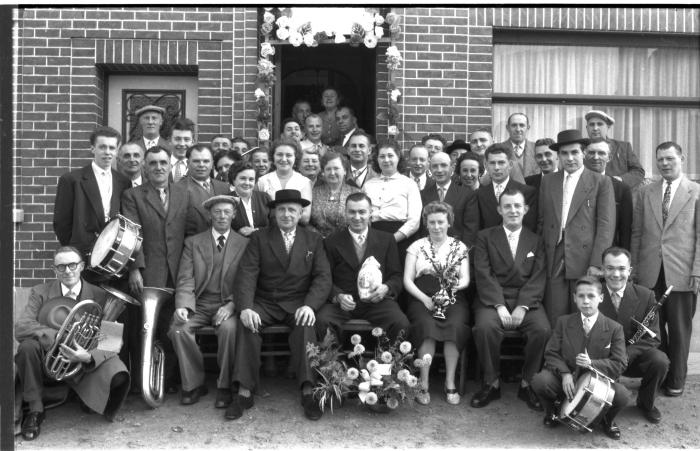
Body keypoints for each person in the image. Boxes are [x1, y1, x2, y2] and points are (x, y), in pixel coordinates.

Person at [227, 189, 332, 421]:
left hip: (298, 302)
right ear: (273, 213)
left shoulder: (313, 239)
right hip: (265, 301)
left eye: (292, 210)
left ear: (300, 212)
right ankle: (244, 390)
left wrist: (310, 306)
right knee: (248, 324)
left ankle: (307, 389)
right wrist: (245, 307)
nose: (286, 214)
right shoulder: (259, 237)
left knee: (306, 326)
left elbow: (323, 277)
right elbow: (247, 274)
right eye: (282, 209)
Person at [15, 246, 130, 440]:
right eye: (61, 267)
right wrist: (55, 336)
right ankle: (35, 409)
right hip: (49, 356)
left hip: (84, 357)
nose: (67, 271)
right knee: (27, 347)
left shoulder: (100, 295)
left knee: (118, 375)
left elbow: (112, 339)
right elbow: (21, 327)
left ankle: (86, 396)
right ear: (54, 270)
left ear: (82, 266)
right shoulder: (39, 292)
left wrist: (87, 357)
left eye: (72, 265)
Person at [631, 141, 700, 397]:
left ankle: (676, 380)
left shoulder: (695, 191)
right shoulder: (646, 192)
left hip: (681, 273)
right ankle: (659, 375)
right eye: (660, 159)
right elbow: (637, 233)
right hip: (649, 273)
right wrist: (634, 269)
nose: (665, 163)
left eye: (670, 158)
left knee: (680, 330)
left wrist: (697, 271)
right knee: (653, 330)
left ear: (682, 158)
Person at [472, 188, 550, 410]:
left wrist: (523, 306)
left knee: (542, 330)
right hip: (492, 297)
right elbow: (483, 274)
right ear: (499, 209)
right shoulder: (485, 237)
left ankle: (528, 383)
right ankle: (491, 382)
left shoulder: (536, 240)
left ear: (525, 209)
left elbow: (538, 276)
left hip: (526, 298)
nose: (512, 210)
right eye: (507, 206)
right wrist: (499, 306)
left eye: (517, 206)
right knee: (485, 328)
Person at [169, 195, 248, 413]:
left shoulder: (245, 244)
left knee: (230, 329)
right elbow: (185, 278)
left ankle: (224, 386)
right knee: (178, 329)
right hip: (200, 303)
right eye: (217, 212)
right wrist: (184, 306)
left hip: (228, 304)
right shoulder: (193, 243)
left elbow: (247, 281)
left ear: (233, 214)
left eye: (226, 212)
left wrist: (232, 305)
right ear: (209, 214)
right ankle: (193, 384)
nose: (222, 216)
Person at [121, 145, 190, 393]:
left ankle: (168, 382)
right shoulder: (133, 196)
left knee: (171, 328)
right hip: (149, 272)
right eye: (153, 163)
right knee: (147, 329)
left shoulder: (183, 192)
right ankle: (143, 384)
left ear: (170, 165)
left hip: (179, 271)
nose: (159, 167)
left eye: (163, 162)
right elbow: (133, 235)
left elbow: (190, 231)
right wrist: (134, 269)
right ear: (145, 167)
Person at [531, 276, 630, 441]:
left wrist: (592, 363)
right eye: (581, 296)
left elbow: (620, 363)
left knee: (622, 395)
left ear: (601, 298)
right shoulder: (563, 322)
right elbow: (551, 352)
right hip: (567, 382)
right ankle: (552, 413)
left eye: (591, 296)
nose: (586, 301)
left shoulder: (614, 328)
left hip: (598, 386)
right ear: (574, 298)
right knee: (540, 381)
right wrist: (564, 374)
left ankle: (607, 420)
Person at [537, 129, 615, 326]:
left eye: (574, 153)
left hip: (585, 256)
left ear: (584, 153)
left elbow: (606, 225)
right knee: (555, 313)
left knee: (583, 312)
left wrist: (597, 263)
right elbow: (541, 221)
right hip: (554, 254)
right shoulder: (548, 181)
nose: (570, 158)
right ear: (559, 156)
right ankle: (555, 356)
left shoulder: (601, 182)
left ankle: (582, 357)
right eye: (564, 153)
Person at [316, 192, 409, 340]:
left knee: (400, 322)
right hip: (344, 303)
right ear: (345, 213)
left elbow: (396, 275)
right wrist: (338, 296)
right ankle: (334, 363)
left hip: (376, 302)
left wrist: (386, 288)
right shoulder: (331, 241)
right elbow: (325, 277)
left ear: (371, 212)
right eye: (352, 212)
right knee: (321, 321)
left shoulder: (386, 239)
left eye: (362, 212)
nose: (357, 217)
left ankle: (386, 361)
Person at [404, 201, 470, 405]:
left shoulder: (459, 246)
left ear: (449, 222)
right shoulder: (417, 246)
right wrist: (424, 299)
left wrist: (449, 292)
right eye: (431, 222)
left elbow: (465, 279)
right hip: (421, 295)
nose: (436, 226)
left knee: (455, 325)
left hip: (453, 295)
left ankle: (450, 382)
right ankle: (423, 383)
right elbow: (407, 280)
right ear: (426, 223)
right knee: (426, 326)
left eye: (441, 221)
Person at [599, 247, 669, 423]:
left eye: (622, 269)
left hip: (633, 357)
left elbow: (654, 337)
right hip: (603, 358)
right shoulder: (592, 294)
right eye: (610, 268)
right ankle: (602, 402)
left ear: (629, 271)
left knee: (660, 360)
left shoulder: (646, 295)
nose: (616, 274)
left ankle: (646, 403)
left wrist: (627, 354)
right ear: (602, 269)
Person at [53, 126, 131, 283]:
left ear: (117, 151)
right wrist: (76, 252)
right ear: (92, 149)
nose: (107, 152)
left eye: (112, 148)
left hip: (113, 259)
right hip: (83, 258)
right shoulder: (72, 180)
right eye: (102, 147)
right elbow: (61, 223)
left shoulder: (123, 181)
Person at [463, 143, 537, 248]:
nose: (497, 168)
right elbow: (476, 229)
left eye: (501, 163)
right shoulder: (478, 194)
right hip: (487, 251)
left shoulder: (527, 192)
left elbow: (529, 227)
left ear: (510, 165)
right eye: (492, 163)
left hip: (518, 252)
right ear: (486, 165)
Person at [363, 141, 422, 259]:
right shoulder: (368, 185)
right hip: (373, 238)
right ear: (377, 159)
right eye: (382, 156)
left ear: (398, 158)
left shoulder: (409, 184)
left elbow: (414, 221)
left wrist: (392, 240)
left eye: (390, 156)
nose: (386, 160)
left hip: (400, 239)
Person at [584, 140, 633, 250]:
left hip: (608, 252)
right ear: (585, 156)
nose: (596, 157)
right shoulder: (575, 184)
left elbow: (625, 230)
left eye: (601, 153)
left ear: (609, 157)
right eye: (591, 153)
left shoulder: (621, 189)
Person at [179, 144, 232, 237]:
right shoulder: (177, 189)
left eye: (206, 161)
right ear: (187, 163)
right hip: (193, 246)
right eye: (196, 161)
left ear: (212, 164)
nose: (201, 165)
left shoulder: (224, 187)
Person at [257, 138, 313, 224]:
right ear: (273, 156)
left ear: (296, 157)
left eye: (288, 155)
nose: (283, 159)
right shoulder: (262, 181)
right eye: (279, 154)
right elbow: (257, 212)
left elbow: (305, 217)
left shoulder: (304, 182)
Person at [585, 110, 645, 188]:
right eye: (592, 125)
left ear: (608, 127)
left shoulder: (623, 147)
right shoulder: (580, 149)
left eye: (600, 124)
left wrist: (620, 180)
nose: (595, 128)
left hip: (617, 195)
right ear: (587, 128)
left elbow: (638, 171)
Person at [309, 151, 360, 238]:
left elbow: (363, 221)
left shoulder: (356, 193)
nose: (332, 173)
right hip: (319, 243)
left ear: (344, 171)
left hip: (347, 242)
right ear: (323, 172)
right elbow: (307, 222)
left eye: (336, 168)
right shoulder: (313, 193)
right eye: (328, 169)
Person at [419, 152, 469, 240]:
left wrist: (464, 251)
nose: (439, 170)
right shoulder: (422, 195)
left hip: (457, 248)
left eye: (443, 165)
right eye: (435, 166)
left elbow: (470, 228)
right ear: (430, 169)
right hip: (429, 247)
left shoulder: (467, 194)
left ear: (452, 168)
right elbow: (421, 228)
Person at [228, 161, 271, 237]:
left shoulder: (265, 198)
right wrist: (238, 232)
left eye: (251, 179)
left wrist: (256, 231)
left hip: (264, 245)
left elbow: (275, 223)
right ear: (233, 179)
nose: (247, 183)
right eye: (242, 178)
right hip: (239, 246)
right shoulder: (226, 201)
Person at [499, 112, 539, 183]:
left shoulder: (537, 148)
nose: (518, 129)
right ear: (507, 128)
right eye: (514, 125)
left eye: (522, 125)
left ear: (528, 127)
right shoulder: (499, 149)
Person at [168, 118, 196, 183]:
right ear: (170, 141)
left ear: (193, 142)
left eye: (186, 139)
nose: (182, 144)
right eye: (177, 139)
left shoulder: (199, 166)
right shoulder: (160, 163)